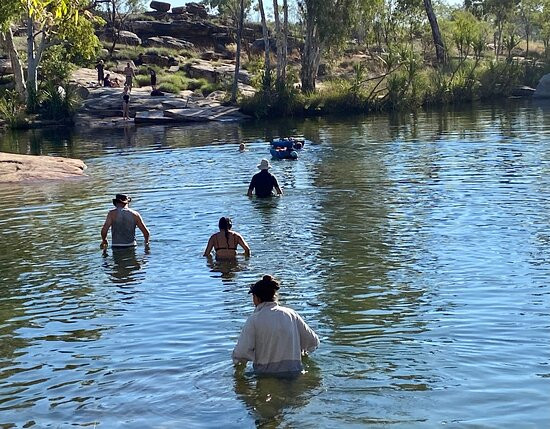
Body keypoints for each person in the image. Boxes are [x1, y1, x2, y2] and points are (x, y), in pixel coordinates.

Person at [232, 275, 320, 374]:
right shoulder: (291, 314)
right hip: (294, 373)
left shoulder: (254, 320)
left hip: (266, 376)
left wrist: (239, 371)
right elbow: (313, 341)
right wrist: (303, 353)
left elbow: (240, 353)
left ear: (256, 298)